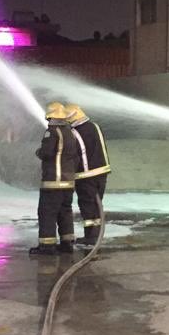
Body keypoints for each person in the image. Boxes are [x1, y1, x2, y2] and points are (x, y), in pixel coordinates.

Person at [65, 104, 111, 248]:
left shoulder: (74, 132)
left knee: (87, 206)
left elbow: (74, 154)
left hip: (86, 175)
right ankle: (95, 235)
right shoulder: (95, 126)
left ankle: (90, 237)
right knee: (97, 205)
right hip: (102, 172)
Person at [34, 101, 77, 254]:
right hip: (68, 182)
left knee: (47, 212)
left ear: (50, 117)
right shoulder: (70, 133)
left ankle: (47, 246)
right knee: (65, 212)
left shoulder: (51, 132)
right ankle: (67, 243)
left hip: (53, 182)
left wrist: (39, 152)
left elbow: (46, 153)